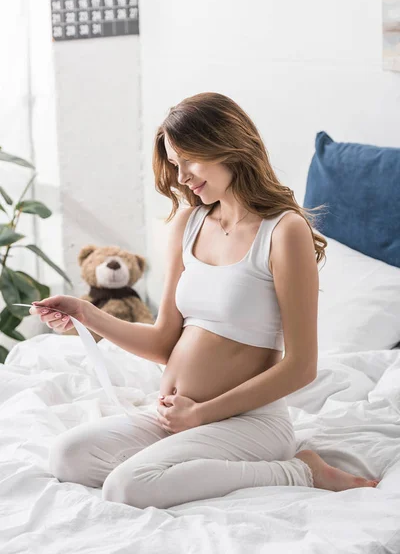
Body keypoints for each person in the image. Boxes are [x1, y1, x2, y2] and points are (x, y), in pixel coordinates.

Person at [30, 92, 380, 509]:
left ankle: (303, 470)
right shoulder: (189, 222)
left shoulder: (283, 231)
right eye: (175, 165)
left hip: (249, 421)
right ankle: (187, 465)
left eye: (188, 160)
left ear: (226, 144)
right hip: (178, 416)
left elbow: (301, 367)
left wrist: (202, 414)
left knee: (128, 486)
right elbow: (164, 340)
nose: (181, 177)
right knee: (67, 456)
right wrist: (86, 314)